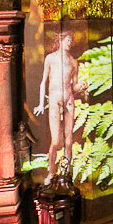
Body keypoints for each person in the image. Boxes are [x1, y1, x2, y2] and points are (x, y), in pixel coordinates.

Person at [34, 32, 82, 184]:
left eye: (71, 40)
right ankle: (51, 173)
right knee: (55, 141)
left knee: (69, 140)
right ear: (60, 40)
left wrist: (82, 86)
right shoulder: (50, 58)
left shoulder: (74, 62)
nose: (70, 42)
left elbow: (74, 85)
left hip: (69, 100)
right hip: (54, 99)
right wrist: (41, 103)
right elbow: (43, 82)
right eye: (68, 39)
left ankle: (66, 172)